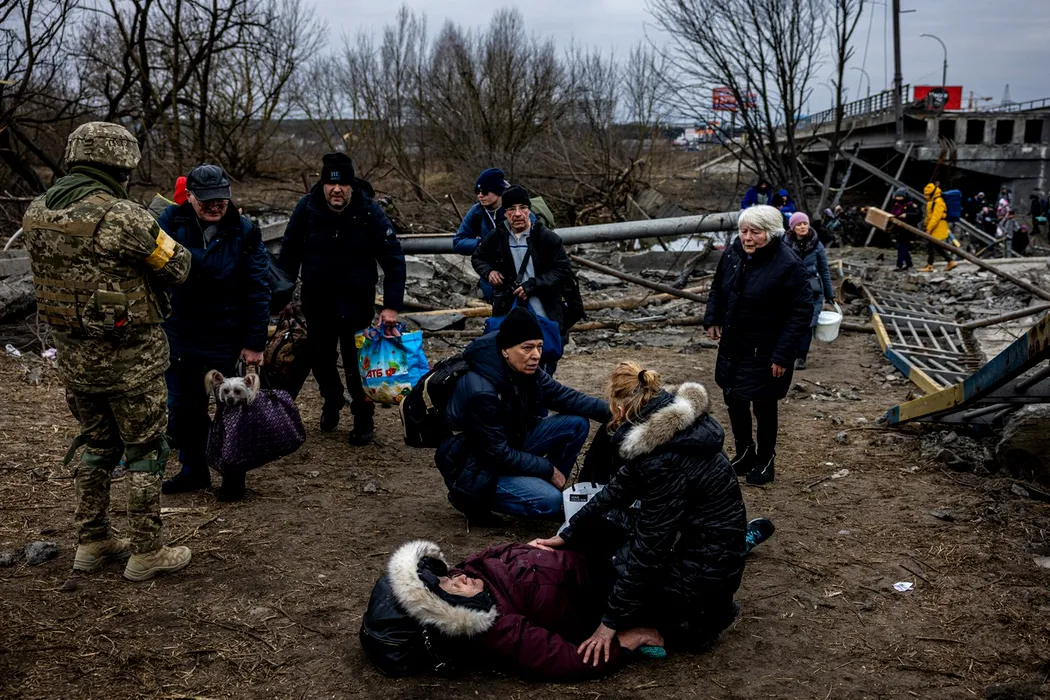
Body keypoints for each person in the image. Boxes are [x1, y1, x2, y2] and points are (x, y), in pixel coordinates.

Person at [21, 122, 194, 581]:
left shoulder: (37, 211)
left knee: (96, 446)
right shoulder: (124, 216)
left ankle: (92, 540)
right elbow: (178, 268)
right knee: (146, 450)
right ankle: (147, 551)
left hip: (74, 360)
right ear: (122, 165)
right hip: (131, 360)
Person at [529, 363, 765, 661]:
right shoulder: (669, 431)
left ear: (618, 409)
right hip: (710, 553)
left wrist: (608, 625)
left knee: (602, 588)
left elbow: (648, 551)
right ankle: (708, 605)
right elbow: (617, 489)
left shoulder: (665, 460)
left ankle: (692, 624)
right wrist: (569, 532)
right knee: (607, 527)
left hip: (704, 575)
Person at [360, 540, 662, 680]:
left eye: (447, 577)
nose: (458, 577)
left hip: (589, 554)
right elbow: (566, 660)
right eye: (450, 586)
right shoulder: (496, 629)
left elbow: (493, 555)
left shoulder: (469, 579)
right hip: (613, 590)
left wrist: (528, 550)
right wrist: (628, 640)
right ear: (447, 611)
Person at [158, 165, 271, 502]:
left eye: (221, 199)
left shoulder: (244, 231)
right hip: (181, 334)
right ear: (189, 196)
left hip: (227, 335)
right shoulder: (170, 222)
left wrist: (254, 342)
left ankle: (233, 474)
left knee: (232, 410)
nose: (215, 206)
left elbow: (258, 287)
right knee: (184, 409)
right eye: (206, 199)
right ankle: (194, 469)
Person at [278, 152, 407, 445]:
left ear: (352, 185)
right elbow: (288, 255)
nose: (337, 190)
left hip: (356, 301)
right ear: (323, 184)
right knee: (321, 359)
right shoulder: (307, 208)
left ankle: (363, 417)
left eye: (343, 184)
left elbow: (393, 259)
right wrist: (282, 297)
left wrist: (391, 306)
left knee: (356, 362)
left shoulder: (369, 211)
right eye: (331, 184)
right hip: (317, 299)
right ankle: (332, 398)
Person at [436, 307, 610, 522]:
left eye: (539, 346)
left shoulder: (523, 368)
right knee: (550, 501)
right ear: (505, 350)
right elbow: (497, 454)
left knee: (576, 424)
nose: (536, 355)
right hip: (475, 467)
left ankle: (539, 485)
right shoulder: (481, 390)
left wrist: (618, 413)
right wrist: (548, 469)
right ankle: (470, 498)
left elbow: (566, 397)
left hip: (509, 443)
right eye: (527, 348)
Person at [703, 204, 812, 485]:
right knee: (734, 399)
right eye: (743, 231)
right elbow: (718, 287)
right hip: (733, 345)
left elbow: (800, 313)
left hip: (766, 351)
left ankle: (765, 460)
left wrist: (783, 355)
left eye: (755, 232)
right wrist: (713, 318)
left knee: (763, 405)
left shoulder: (789, 265)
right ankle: (745, 453)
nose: (747, 237)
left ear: (772, 233)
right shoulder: (733, 254)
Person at [471, 184, 574, 372]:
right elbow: (478, 257)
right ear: (505, 213)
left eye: (523, 208)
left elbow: (563, 269)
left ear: (529, 210)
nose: (517, 214)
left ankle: (544, 384)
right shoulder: (498, 235)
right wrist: (489, 272)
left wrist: (533, 285)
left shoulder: (546, 237)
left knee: (545, 351)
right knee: (510, 351)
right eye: (511, 209)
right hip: (510, 305)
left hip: (544, 306)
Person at [785, 212, 835, 370]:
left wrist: (829, 294)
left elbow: (824, 270)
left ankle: (801, 357)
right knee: (790, 322)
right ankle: (789, 354)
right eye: (799, 224)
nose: (802, 227)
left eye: (805, 224)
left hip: (812, 289)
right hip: (790, 289)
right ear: (792, 227)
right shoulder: (784, 244)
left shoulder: (816, 244)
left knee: (808, 323)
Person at [919, 183, 959, 272]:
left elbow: (935, 217)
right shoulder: (932, 201)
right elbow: (930, 216)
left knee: (931, 245)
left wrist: (929, 229)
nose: (926, 196)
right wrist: (926, 224)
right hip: (935, 226)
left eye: (927, 194)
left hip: (938, 226)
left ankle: (930, 265)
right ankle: (950, 261)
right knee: (936, 246)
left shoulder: (938, 202)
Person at [889, 189, 919, 271]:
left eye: (900, 196)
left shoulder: (911, 205)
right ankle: (909, 264)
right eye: (897, 196)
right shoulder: (896, 205)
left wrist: (907, 215)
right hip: (898, 229)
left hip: (907, 229)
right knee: (901, 246)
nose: (898, 198)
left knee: (902, 247)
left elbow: (918, 215)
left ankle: (899, 265)